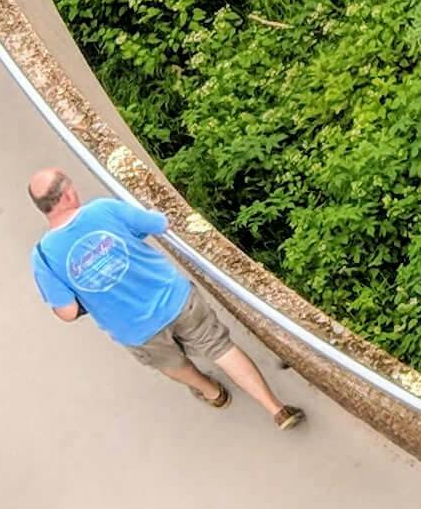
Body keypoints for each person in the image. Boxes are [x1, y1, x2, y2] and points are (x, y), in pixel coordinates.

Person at [25, 168, 303, 428]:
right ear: (68, 194)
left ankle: (213, 392)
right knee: (220, 348)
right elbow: (158, 223)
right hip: (175, 298)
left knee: (173, 365)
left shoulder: (43, 258)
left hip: (134, 329)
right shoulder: (103, 210)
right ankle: (275, 409)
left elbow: (68, 312)